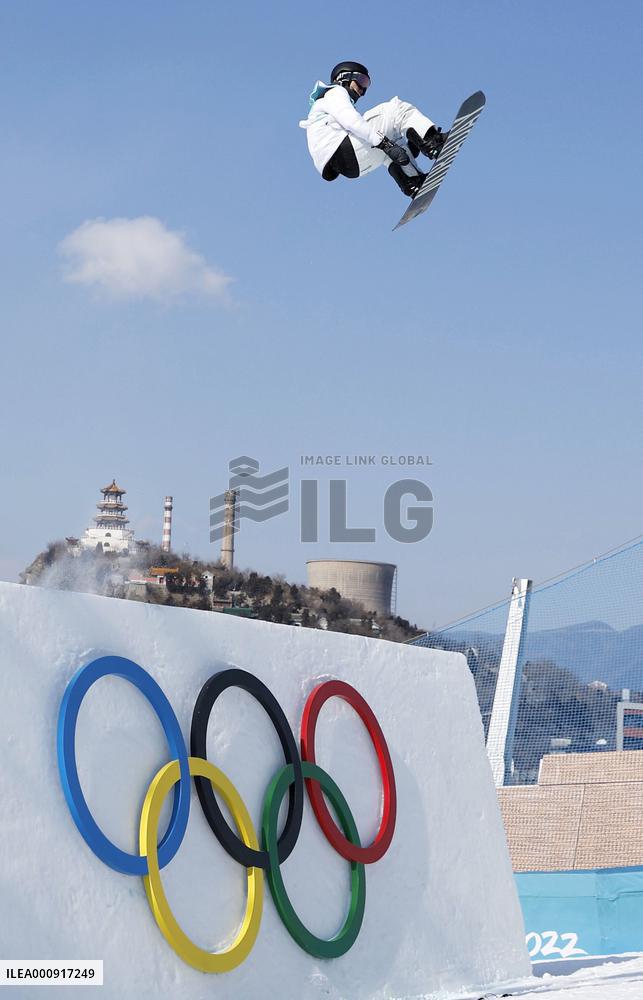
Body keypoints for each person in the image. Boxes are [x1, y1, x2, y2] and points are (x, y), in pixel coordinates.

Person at [299, 61, 447, 197]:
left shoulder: (320, 113)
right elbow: (351, 120)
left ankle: (412, 182)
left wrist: (400, 148)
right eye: (362, 81)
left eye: (367, 85)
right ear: (344, 77)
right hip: (345, 150)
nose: (363, 91)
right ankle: (433, 142)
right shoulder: (335, 92)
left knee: (392, 140)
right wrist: (386, 144)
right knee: (396, 109)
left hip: (350, 166)